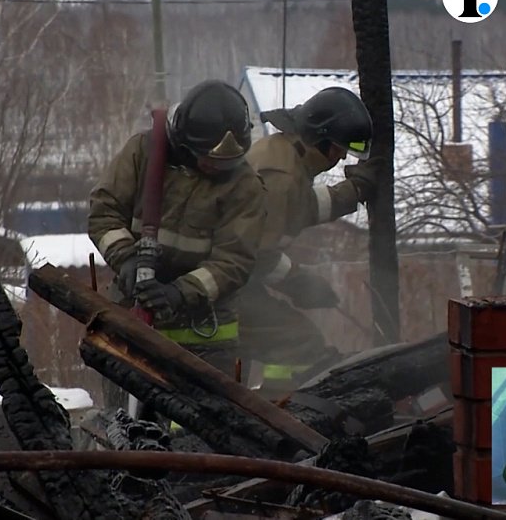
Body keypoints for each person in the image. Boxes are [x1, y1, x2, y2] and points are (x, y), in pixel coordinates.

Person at [89, 79, 267, 409]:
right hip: (133, 320)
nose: (218, 169)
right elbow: (104, 210)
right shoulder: (144, 153)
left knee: (203, 433)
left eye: (227, 163)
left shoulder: (244, 186)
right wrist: (125, 259)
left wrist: (181, 292)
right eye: (210, 160)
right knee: (125, 428)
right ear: (185, 143)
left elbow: (234, 261)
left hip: (207, 338)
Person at [239, 87, 383, 396]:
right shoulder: (283, 176)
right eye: (340, 148)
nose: (343, 156)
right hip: (227, 285)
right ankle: (281, 412)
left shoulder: (284, 154)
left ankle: (274, 405)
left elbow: (298, 207)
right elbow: (258, 255)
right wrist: (298, 281)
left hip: (231, 278)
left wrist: (353, 192)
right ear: (320, 140)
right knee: (298, 341)